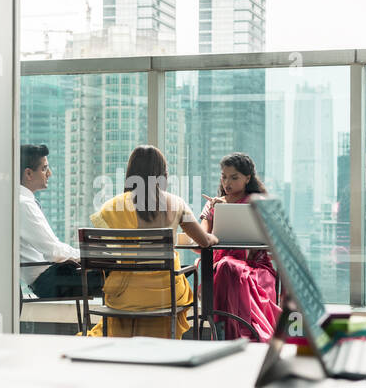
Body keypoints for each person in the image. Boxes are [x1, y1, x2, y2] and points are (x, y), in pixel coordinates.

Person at [85, 145, 217, 338]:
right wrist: (213, 235)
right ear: (162, 175)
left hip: (125, 297)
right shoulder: (177, 204)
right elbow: (204, 241)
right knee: (186, 276)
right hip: (166, 297)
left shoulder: (111, 207)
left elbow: (104, 254)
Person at [199, 152, 279, 341]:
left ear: (247, 178)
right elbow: (200, 241)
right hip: (220, 265)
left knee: (229, 267)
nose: (227, 183)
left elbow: (273, 240)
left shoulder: (257, 203)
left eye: (234, 178)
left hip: (255, 267)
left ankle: (240, 334)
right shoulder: (214, 204)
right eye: (224, 177)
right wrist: (213, 211)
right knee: (227, 266)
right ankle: (228, 334)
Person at [18, 144, 102, 299]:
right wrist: (89, 256)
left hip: (49, 277)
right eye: (44, 169)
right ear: (28, 173)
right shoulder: (24, 204)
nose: (49, 173)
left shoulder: (20, 202)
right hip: (50, 280)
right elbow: (54, 252)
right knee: (115, 273)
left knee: (112, 270)